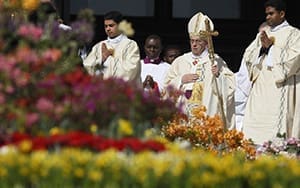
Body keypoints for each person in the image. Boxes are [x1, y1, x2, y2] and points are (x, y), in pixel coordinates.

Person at [242, 0, 300, 145]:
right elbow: (248, 56)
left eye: (271, 13)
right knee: (253, 132)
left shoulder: (294, 34)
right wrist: (262, 49)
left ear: (282, 14)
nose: (267, 17)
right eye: (266, 14)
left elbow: (295, 58)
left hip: (280, 87)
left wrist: (271, 48)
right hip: (260, 89)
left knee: (277, 132)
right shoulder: (263, 34)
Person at [164, 12, 235, 129]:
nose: (194, 44)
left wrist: (218, 75)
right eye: (192, 41)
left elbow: (230, 87)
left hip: (206, 111)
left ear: (206, 43)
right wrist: (180, 80)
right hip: (183, 111)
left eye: (198, 41)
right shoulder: (180, 61)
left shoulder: (215, 60)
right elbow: (166, 86)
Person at [83, 11, 141, 83]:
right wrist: (102, 59)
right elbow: (87, 67)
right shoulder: (99, 46)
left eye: (111, 25)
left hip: (123, 91)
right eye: (106, 26)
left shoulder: (130, 45)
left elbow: (131, 70)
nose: (108, 29)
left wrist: (111, 57)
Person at [234, 22, 270, 131]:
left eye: (266, 35)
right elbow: (242, 79)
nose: (263, 38)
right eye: (260, 35)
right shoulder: (251, 53)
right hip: (249, 105)